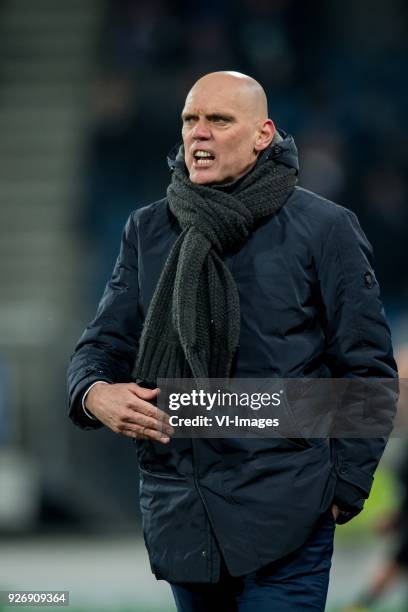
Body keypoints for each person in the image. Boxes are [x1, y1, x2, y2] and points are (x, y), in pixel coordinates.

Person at [67, 71, 398, 611]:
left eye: (219, 120)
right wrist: (94, 392)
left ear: (262, 134)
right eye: (191, 120)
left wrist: (343, 491)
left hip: (288, 524)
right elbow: (99, 346)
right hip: (185, 523)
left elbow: (367, 371)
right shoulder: (148, 231)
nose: (199, 133)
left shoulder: (324, 228)